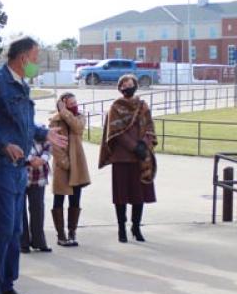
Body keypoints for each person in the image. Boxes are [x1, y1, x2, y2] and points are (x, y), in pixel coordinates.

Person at [0, 36, 67, 294]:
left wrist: (42, 132)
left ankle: (6, 285)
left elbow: (22, 125)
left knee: (15, 230)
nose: (37, 65)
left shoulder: (21, 85)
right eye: (35, 59)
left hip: (17, 167)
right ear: (23, 57)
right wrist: (3, 144)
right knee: (1, 229)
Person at [99, 74, 157, 243]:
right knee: (121, 196)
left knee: (139, 195)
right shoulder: (115, 107)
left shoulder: (143, 106)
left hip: (141, 158)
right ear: (120, 88)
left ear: (135, 85)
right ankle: (121, 228)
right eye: (124, 83)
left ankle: (136, 227)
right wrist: (133, 146)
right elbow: (115, 132)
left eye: (130, 83)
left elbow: (149, 127)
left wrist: (144, 145)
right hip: (122, 157)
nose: (127, 85)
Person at [49, 93, 90, 247]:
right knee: (59, 198)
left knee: (75, 199)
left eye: (75, 101)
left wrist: (65, 112)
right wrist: (65, 163)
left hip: (77, 165)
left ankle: (72, 232)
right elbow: (55, 146)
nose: (74, 105)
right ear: (63, 104)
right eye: (70, 103)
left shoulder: (78, 117)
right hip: (63, 167)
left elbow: (77, 128)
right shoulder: (56, 121)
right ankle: (61, 235)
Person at [21, 136, 52, 253]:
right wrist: (30, 159)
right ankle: (23, 243)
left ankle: (39, 241)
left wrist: (43, 159)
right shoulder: (18, 129)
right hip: (22, 176)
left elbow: (48, 146)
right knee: (20, 211)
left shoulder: (39, 130)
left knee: (38, 208)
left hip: (39, 177)